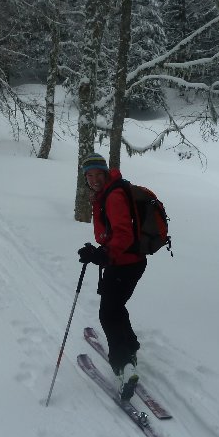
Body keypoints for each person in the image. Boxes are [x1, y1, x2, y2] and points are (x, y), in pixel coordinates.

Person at [77, 152, 146, 400]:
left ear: (106, 173)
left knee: (108, 312)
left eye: (98, 174)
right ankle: (131, 346)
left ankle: (123, 365)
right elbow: (112, 235)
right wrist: (99, 252)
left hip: (124, 263)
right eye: (90, 175)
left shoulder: (114, 195)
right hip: (127, 261)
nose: (94, 179)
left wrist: (104, 254)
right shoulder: (107, 193)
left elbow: (123, 234)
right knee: (116, 306)